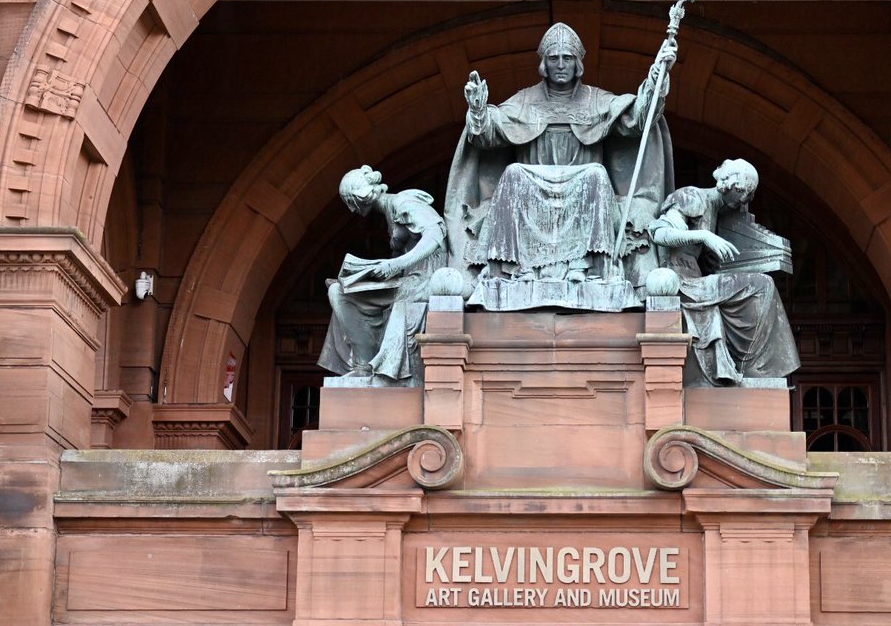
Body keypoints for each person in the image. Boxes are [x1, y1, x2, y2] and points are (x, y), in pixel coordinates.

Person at [445, 22, 676, 294]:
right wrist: (478, 109)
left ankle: (594, 267)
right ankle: (505, 269)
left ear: (578, 63)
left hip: (583, 185)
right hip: (532, 184)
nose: (561, 65)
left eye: (567, 58)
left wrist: (656, 78)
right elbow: (487, 134)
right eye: (554, 59)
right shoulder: (524, 100)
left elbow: (637, 117)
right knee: (513, 173)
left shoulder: (596, 100)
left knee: (595, 174)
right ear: (544, 64)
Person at [648, 159, 800, 385]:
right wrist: (704, 236)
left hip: (698, 280)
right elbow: (660, 234)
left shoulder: (718, 212)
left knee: (763, 285)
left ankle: (755, 366)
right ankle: (753, 366)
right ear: (729, 186)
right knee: (762, 285)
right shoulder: (692, 196)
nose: (744, 201)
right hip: (682, 281)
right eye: (743, 193)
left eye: (748, 195)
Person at [317, 165, 446, 385]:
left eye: (350, 202)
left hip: (424, 281)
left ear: (360, 197)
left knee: (341, 293)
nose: (352, 209)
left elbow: (436, 233)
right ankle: (363, 365)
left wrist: (396, 263)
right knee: (338, 290)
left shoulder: (404, 203)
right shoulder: (389, 212)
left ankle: (364, 366)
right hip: (408, 280)